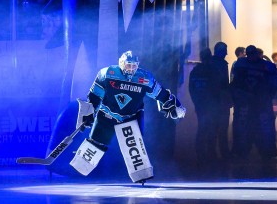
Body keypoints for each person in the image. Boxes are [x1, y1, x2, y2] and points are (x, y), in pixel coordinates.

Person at [70, 50, 186, 183]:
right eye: (128, 65)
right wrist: (89, 112)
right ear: (121, 63)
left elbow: (160, 93)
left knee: (135, 149)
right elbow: (95, 95)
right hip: (107, 114)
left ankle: (141, 176)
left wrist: (173, 105)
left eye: (134, 66)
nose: (131, 69)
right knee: (95, 144)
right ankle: (78, 170)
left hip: (131, 116)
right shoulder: (107, 73)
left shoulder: (145, 79)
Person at [229, 45, 277, 159]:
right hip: (247, 103)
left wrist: (269, 96)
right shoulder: (241, 65)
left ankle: (266, 151)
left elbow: (273, 83)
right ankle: (243, 150)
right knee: (245, 128)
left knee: (263, 128)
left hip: (260, 102)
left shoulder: (266, 65)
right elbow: (236, 83)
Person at [188, 48, 218, 166]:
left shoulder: (195, 71)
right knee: (211, 129)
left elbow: (192, 89)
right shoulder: (213, 70)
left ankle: (201, 155)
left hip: (200, 104)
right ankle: (210, 155)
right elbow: (217, 88)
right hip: (210, 105)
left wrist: (196, 102)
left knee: (202, 129)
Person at [210, 41, 232, 160]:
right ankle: (222, 153)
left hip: (217, 101)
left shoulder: (214, 63)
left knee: (216, 128)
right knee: (220, 128)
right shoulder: (220, 64)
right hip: (219, 101)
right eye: (224, 50)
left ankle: (214, 153)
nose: (226, 53)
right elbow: (223, 84)